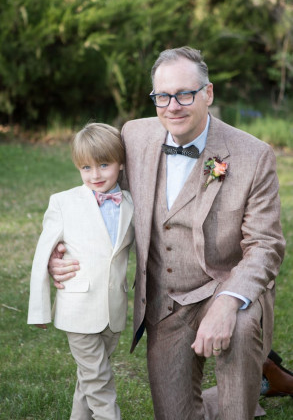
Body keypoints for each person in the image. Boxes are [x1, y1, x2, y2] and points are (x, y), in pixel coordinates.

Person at [48, 47, 287, 420]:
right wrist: (59, 249)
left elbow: (266, 245)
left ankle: (245, 382)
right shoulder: (135, 135)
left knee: (238, 331)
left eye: (185, 94)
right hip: (165, 301)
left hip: (224, 286)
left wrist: (227, 301)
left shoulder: (253, 155)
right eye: (162, 96)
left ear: (208, 94)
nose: (172, 106)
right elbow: (101, 195)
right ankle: (261, 380)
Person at [27, 123, 134, 420]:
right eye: (86, 167)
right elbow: (42, 256)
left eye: (104, 164)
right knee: (99, 382)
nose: (95, 175)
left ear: (121, 162)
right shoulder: (64, 203)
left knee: (88, 378)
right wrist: (39, 311)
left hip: (113, 312)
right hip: (78, 309)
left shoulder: (130, 203)